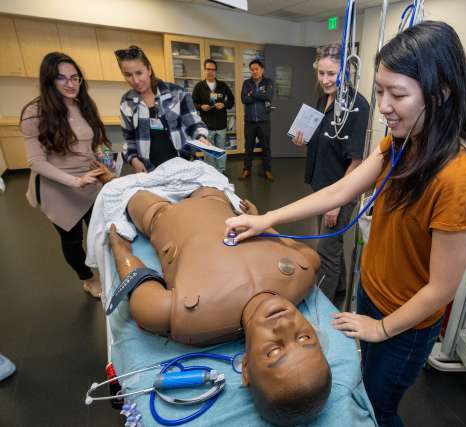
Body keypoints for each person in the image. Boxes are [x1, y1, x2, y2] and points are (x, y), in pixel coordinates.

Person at [226, 21, 466, 426]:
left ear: (440, 94)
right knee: (362, 389)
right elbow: (343, 188)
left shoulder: (459, 177)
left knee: (377, 410)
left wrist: (382, 329)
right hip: (373, 294)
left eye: (397, 94)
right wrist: (268, 217)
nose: (383, 105)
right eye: (381, 90)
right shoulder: (404, 140)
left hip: (405, 324)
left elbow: (442, 288)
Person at [106, 188, 331, 426]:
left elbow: (145, 302)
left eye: (274, 351)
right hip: (215, 201)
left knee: (132, 194)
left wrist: (121, 250)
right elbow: (302, 252)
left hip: (163, 215)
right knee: (210, 187)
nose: (284, 323)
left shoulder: (193, 318)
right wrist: (263, 223)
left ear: (246, 367)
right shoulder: (301, 275)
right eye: (305, 338)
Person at [21, 52, 110, 299]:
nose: (70, 84)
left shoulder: (84, 105)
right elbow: (36, 161)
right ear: (49, 81)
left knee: (101, 233)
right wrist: (75, 181)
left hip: (89, 182)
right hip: (58, 188)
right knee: (72, 241)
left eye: (75, 77)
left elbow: (92, 142)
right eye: (62, 78)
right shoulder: (34, 113)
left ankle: (108, 272)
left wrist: (100, 153)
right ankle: (88, 279)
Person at [291, 44, 369, 304]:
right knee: (332, 246)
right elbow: (323, 138)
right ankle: (337, 293)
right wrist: (304, 140)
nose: (325, 80)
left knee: (326, 251)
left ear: (346, 71)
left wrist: (336, 202)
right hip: (322, 186)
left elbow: (356, 161)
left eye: (331, 74)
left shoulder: (357, 106)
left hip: (339, 191)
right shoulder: (324, 98)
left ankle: (322, 307)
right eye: (321, 73)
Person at [115, 45, 211, 173]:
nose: (135, 80)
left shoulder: (177, 93)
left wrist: (201, 136)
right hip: (150, 170)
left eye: (139, 73)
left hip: (182, 166)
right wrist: (134, 160)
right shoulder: (127, 102)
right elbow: (129, 139)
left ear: (149, 69)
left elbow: (193, 123)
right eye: (128, 75)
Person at [239, 59, 274, 181]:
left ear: (262, 69)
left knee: (266, 147)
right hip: (250, 121)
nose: (254, 71)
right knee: (248, 147)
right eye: (252, 69)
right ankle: (246, 170)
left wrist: (252, 94)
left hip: (264, 120)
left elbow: (268, 97)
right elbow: (244, 99)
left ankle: (267, 170)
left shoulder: (268, 82)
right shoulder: (246, 83)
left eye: (256, 69)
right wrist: (260, 96)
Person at [192, 59, 235, 151]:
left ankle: (221, 166)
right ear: (204, 70)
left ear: (216, 71)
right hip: (207, 126)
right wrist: (201, 107)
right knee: (209, 153)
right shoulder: (199, 86)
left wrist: (224, 104)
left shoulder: (223, 85)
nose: (210, 72)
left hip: (221, 126)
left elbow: (231, 101)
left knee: (221, 152)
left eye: (213, 70)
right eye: (208, 69)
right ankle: (210, 166)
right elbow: (193, 104)